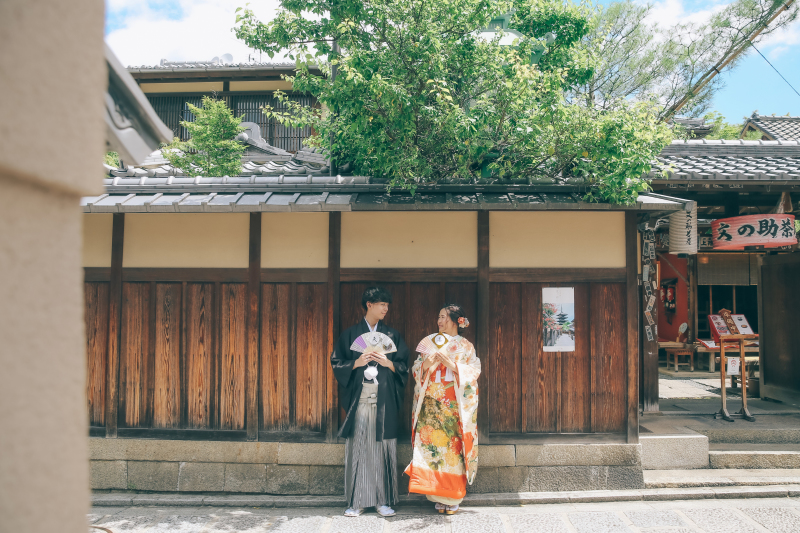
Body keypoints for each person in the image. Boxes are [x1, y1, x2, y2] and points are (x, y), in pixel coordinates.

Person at [331, 286, 409, 517]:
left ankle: (382, 501)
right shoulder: (350, 335)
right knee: (359, 447)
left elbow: (404, 367)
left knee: (382, 448)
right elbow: (337, 363)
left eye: (387, 305)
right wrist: (357, 362)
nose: (386, 309)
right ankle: (357, 502)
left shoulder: (392, 336)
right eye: (382, 304)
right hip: (361, 399)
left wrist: (389, 363)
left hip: (384, 400)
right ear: (369, 305)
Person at [404, 303, 480, 515]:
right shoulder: (431, 342)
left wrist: (453, 365)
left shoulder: (466, 346)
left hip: (454, 407)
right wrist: (426, 365)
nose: (439, 321)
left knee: (453, 451)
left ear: (456, 321)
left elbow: (474, 371)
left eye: (444, 317)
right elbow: (416, 369)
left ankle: (453, 495)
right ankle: (435, 494)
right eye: (438, 317)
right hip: (430, 405)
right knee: (432, 448)